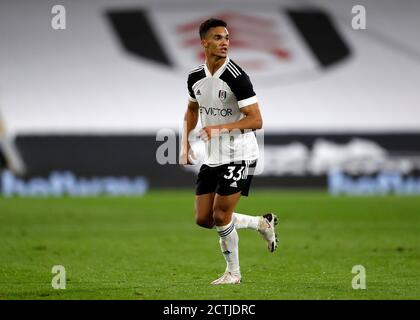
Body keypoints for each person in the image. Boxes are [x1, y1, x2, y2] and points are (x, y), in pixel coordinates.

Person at [180, 18, 278, 285]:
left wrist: (220, 129)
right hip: (213, 155)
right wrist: (185, 142)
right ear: (204, 43)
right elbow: (192, 109)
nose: (225, 43)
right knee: (204, 219)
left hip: (240, 152)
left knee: (221, 216)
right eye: (218, 38)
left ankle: (233, 273)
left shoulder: (237, 77)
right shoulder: (195, 77)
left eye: (227, 38)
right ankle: (262, 224)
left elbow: (256, 120)